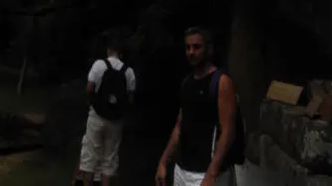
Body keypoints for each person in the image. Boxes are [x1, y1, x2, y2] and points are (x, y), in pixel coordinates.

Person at [155, 26, 238, 186]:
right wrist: (163, 162)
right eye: (188, 47)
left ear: (209, 49)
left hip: (205, 174)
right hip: (182, 169)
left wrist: (211, 174)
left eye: (197, 47)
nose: (191, 52)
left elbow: (228, 131)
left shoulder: (221, 82)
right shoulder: (187, 83)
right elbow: (180, 125)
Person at [78, 33, 136, 186]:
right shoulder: (129, 72)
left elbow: (89, 88)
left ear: (109, 50)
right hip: (116, 120)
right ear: (122, 53)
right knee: (109, 159)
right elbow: (130, 98)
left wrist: (97, 99)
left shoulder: (99, 65)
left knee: (90, 155)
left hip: (97, 116)